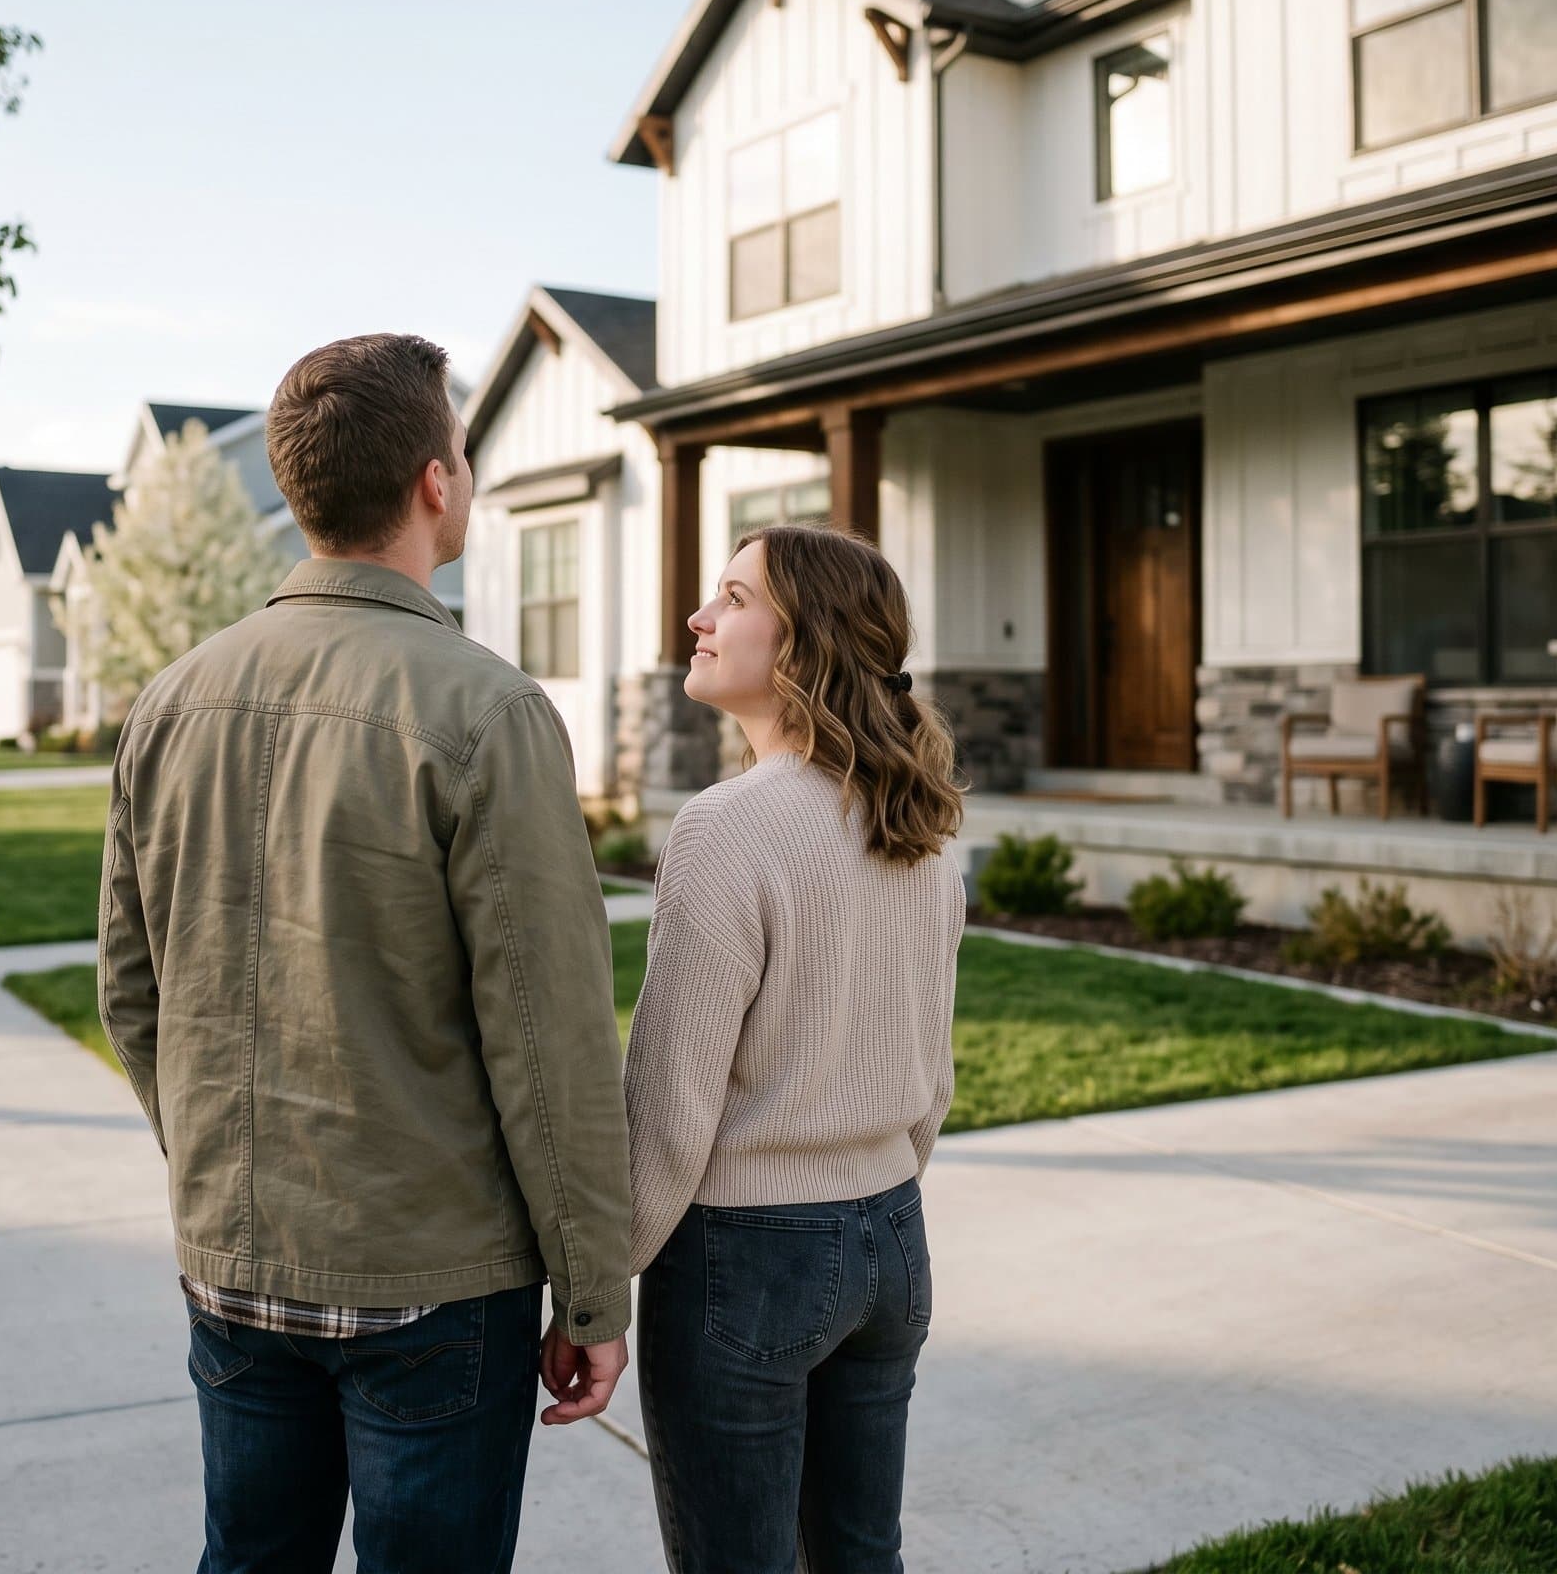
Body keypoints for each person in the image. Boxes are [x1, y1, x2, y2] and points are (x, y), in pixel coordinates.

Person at [97, 332, 633, 1574]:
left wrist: (220, 1159)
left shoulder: (170, 700)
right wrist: (595, 1293)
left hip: (233, 1259)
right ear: (434, 483)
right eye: (459, 442)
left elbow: (133, 994)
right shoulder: (486, 710)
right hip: (432, 1285)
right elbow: (549, 1040)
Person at [625, 521, 966, 1574]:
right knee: (864, 1559)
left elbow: (672, 1107)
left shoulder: (728, 825)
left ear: (803, 639)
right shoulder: (923, 821)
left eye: (731, 597)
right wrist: (876, 1185)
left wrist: (599, 1281)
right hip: (893, 1242)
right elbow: (931, 1079)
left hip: (746, 1257)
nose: (699, 617)